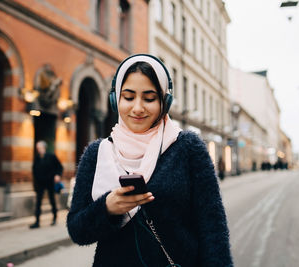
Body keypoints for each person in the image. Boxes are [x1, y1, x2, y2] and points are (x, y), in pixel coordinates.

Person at [67, 54, 233, 266]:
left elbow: (213, 230)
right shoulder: (97, 153)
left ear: (165, 101)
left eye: (149, 98)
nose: (137, 108)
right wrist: (107, 208)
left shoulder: (188, 148)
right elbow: (77, 231)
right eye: (128, 97)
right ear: (115, 99)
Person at [30, 140, 63, 228]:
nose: (38, 149)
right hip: (40, 183)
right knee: (38, 202)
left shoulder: (51, 156)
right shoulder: (37, 158)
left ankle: (55, 217)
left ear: (44, 148)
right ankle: (37, 221)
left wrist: (57, 175)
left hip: (50, 182)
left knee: (52, 200)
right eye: (37, 148)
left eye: (39, 148)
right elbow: (34, 170)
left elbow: (59, 167)